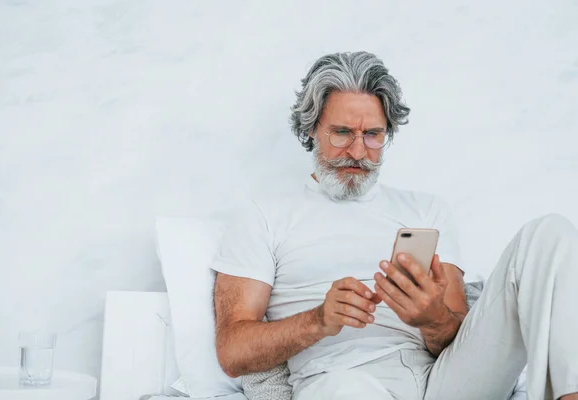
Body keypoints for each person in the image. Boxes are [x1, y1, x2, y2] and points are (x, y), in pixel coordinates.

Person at [211, 51, 578, 400]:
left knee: (550, 234)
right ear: (311, 129)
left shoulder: (426, 211)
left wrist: (432, 319)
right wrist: (318, 320)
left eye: (372, 135)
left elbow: (462, 339)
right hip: (341, 382)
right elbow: (233, 353)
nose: (358, 152)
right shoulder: (263, 216)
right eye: (341, 132)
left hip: (443, 382)